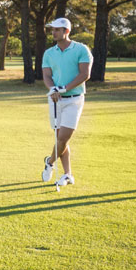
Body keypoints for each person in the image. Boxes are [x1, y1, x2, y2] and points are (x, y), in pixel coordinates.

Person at [40, 17, 92, 187]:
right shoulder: (49, 53)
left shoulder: (81, 49)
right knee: (60, 139)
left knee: (62, 137)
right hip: (55, 100)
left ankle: (49, 161)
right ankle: (68, 174)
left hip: (74, 100)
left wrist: (64, 88)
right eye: (52, 29)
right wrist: (53, 89)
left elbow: (85, 75)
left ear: (66, 31)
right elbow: (47, 75)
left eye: (57, 29)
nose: (53, 32)